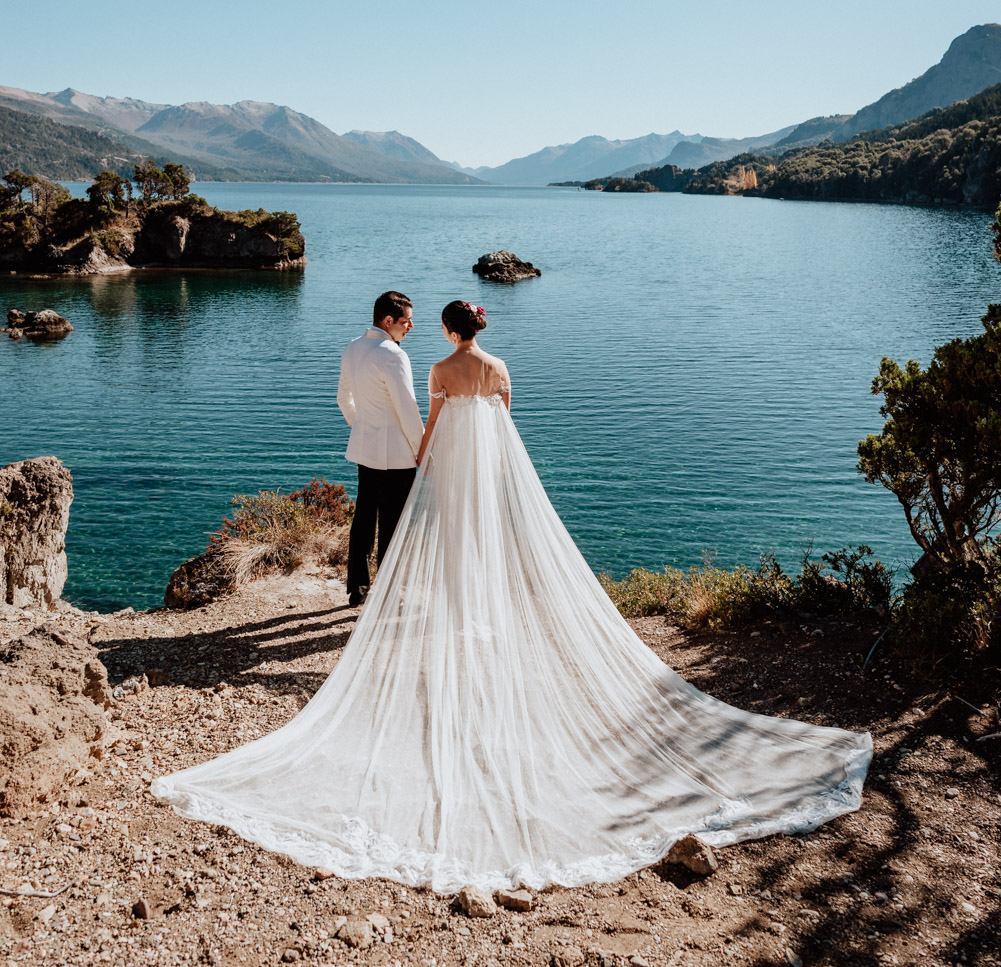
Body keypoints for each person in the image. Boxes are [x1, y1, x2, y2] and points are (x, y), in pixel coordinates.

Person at [153, 300, 871, 894]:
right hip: (486, 465)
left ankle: (382, 590)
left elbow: (425, 419)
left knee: (393, 527)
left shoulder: (427, 364)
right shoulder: (494, 365)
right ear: (479, 327)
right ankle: (471, 608)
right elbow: (505, 415)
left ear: (444, 328)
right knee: (474, 529)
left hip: (409, 453)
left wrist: (425, 453)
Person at [336, 290, 423, 606]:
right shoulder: (393, 354)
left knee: (363, 520)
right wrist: (421, 449)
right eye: (406, 321)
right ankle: (388, 593)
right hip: (397, 455)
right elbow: (407, 410)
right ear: (388, 321)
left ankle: (357, 589)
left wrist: (362, 427)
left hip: (365, 450)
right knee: (393, 524)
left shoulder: (352, 348)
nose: (410, 327)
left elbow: (343, 399)